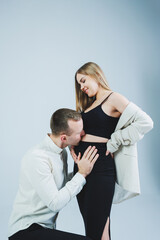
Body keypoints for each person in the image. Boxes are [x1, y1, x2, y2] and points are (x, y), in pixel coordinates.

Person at [72, 62, 153, 240]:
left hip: (100, 168)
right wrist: (73, 145)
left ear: (95, 75)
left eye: (83, 80)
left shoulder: (113, 98)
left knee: (98, 225)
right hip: (82, 171)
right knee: (96, 228)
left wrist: (115, 141)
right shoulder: (90, 104)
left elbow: (146, 122)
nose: (82, 87)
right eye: (79, 84)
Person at [8, 108, 99, 240]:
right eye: (79, 133)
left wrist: (79, 170)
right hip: (25, 231)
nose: (83, 133)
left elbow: (58, 183)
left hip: (44, 229)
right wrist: (81, 174)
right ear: (64, 137)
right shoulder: (37, 158)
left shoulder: (62, 152)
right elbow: (55, 203)